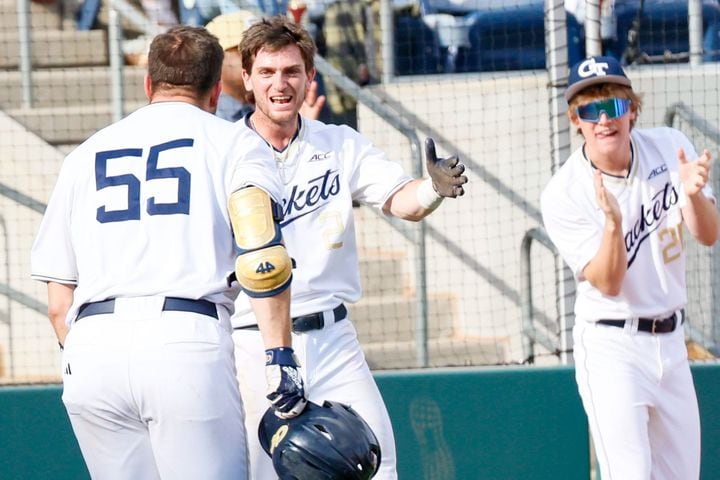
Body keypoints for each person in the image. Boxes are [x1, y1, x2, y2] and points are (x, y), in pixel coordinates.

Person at [30, 25, 306, 479]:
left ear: (148, 85)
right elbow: (263, 256)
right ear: (216, 91)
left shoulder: (84, 154)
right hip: (185, 341)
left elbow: (58, 302)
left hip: (93, 348)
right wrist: (279, 357)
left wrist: (86, 354)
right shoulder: (234, 142)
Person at [232, 15, 468, 480]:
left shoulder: (338, 143)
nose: (280, 84)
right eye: (267, 72)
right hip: (251, 343)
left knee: (378, 467)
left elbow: (402, 200)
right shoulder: (224, 150)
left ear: (309, 77)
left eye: (291, 72)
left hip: (333, 338)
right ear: (246, 79)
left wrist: (433, 188)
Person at [541, 56, 719, 480]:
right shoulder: (564, 192)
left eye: (614, 106)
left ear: (632, 110)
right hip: (611, 345)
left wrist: (693, 194)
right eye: (590, 109)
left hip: (672, 341)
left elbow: (709, 235)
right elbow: (609, 281)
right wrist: (613, 224)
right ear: (575, 120)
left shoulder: (668, 145)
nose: (604, 119)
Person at [205, 10, 326, 122]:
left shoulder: (274, 107)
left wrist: (298, 131)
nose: (259, 58)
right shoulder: (204, 115)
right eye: (243, 51)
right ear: (216, 59)